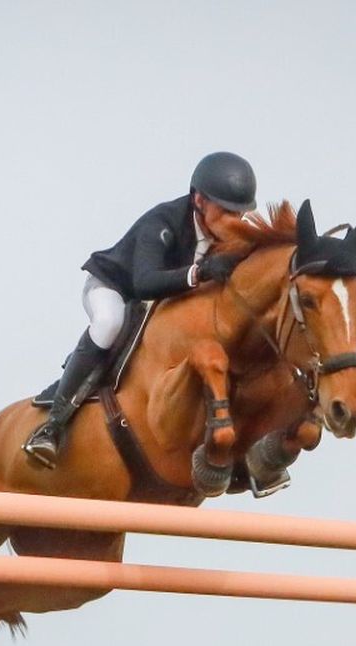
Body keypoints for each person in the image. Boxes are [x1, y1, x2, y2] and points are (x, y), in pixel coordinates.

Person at [23, 151, 258, 468]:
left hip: (162, 300)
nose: (235, 222)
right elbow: (145, 282)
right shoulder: (162, 222)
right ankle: (52, 426)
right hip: (115, 286)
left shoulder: (228, 232)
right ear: (199, 200)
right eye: (226, 211)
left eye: (240, 215)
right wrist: (199, 273)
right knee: (109, 323)